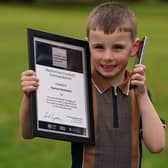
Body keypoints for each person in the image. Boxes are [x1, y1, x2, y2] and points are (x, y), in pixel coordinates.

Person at [20, 1, 165, 168]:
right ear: (87, 46)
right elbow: (27, 133)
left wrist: (142, 95)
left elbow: (156, 145)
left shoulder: (139, 94)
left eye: (117, 47)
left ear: (134, 48)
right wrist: (29, 96)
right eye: (99, 47)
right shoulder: (77, 88)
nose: (107, 57)